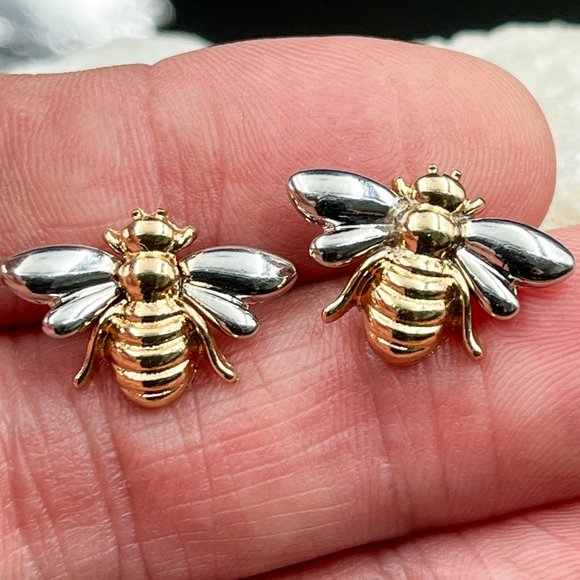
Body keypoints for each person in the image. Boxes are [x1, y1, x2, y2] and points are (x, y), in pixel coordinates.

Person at [0, 36, 578, 578]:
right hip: (369, 296)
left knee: (368, 268)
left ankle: (381, 315)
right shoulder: (198, 279)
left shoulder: (382, 235)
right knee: (384, 279)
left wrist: (345, 298)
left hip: (180, 321)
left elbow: (327, 255)